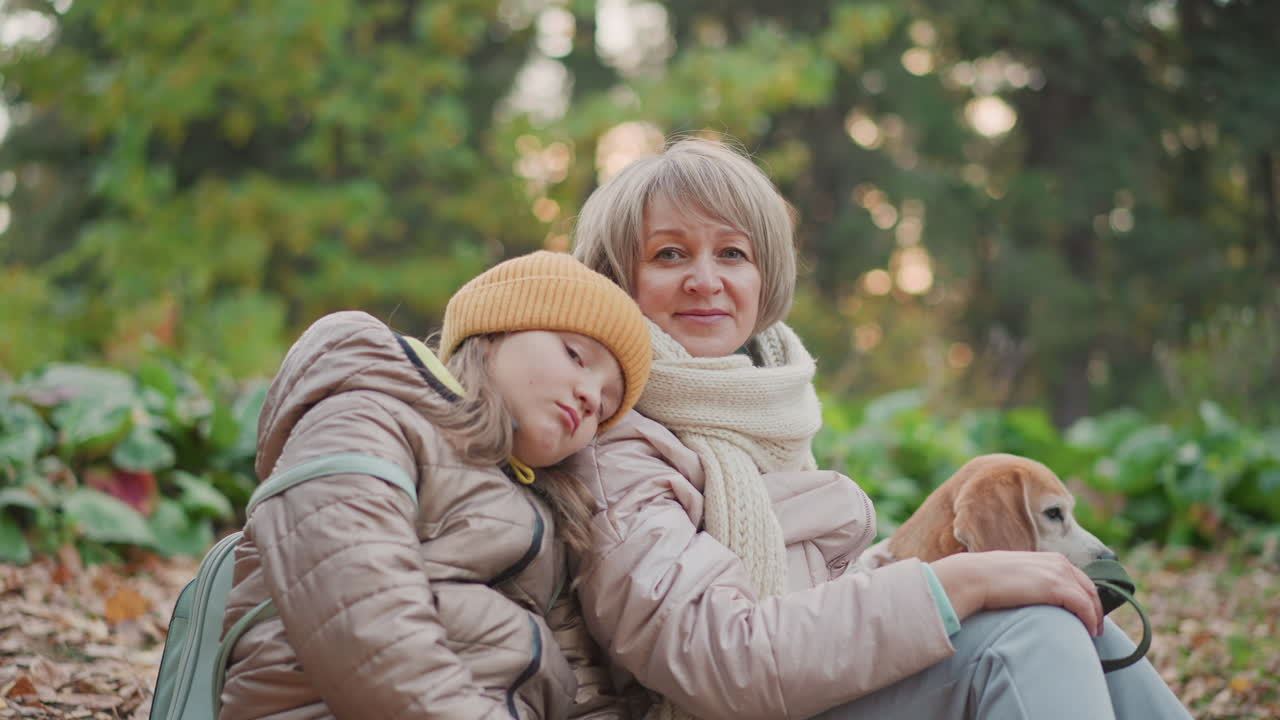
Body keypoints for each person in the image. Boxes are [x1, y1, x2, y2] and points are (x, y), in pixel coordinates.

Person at [565, 137, 1193, 720]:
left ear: (764, 276)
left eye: (732, 252)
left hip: (798, 693)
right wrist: (960, 580)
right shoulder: (614, 444)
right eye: (669, 253)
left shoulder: (757, 414)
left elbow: (809, 609)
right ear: (618, 281)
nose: (707, 280)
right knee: (1033, 631)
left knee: (1065, 611)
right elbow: (720, 658)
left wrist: (913, 568)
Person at [217, 251, 650, 720]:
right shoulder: (371, 413)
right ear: (493, 332)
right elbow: (365, 618)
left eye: (606, 407)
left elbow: (584, 691)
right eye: (575, 355)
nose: (590, 397)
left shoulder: (549, 523)